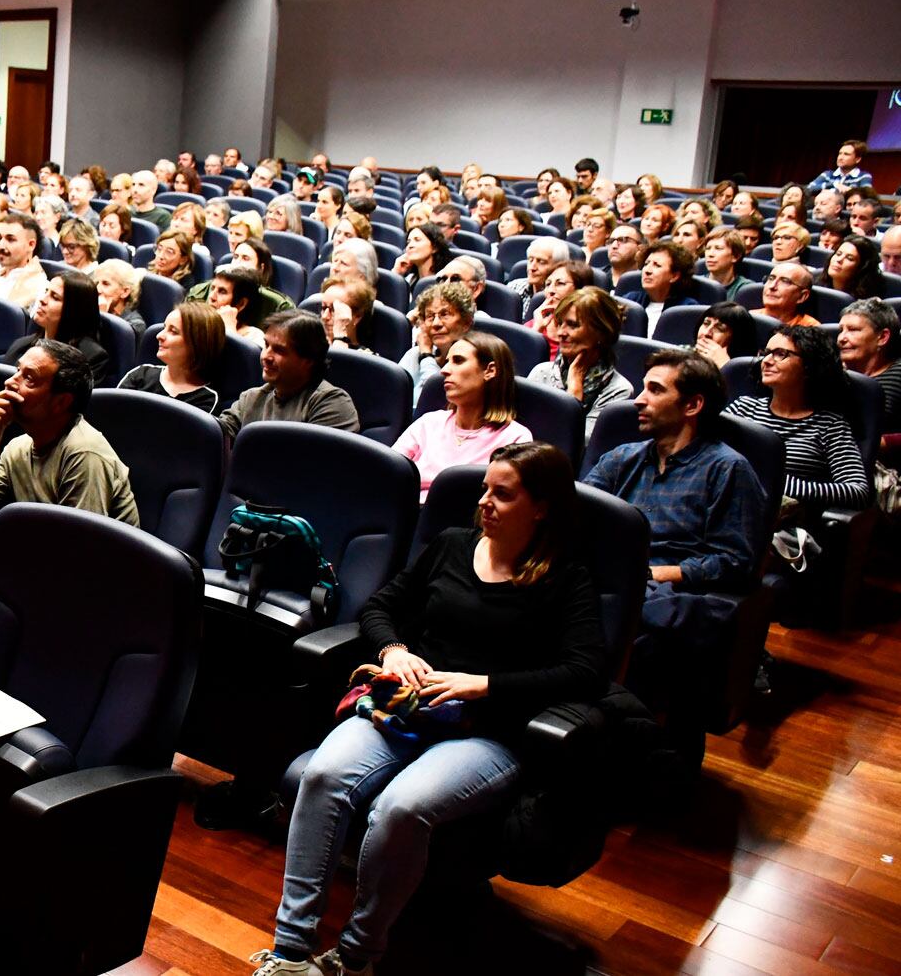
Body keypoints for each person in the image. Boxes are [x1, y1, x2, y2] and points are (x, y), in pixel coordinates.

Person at [251, 443, 603, 976]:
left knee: (401, 807)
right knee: (322, 775)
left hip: (487, 730)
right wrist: (395, 650)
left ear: (541, 508)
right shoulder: (453, 545)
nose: (484, 502)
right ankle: (290, 951)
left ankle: (357, 955)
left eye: (503, 494)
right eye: (485, 489)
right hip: (408, 710)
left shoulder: (565, 578)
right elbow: (380, 607)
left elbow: (585, 671)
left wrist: (486, 685)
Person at [583, 350, 765, 745]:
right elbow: (578, 516)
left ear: (692, 405)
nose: (638, 399)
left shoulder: (727, 469)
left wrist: (654, 573)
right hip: (612, 581)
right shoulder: (622, 458)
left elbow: (735, 561)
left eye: (654, 390)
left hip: (673, 594)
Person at [0, 339, 138, 524]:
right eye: (18, 371)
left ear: (61, 402)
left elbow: (79, 538)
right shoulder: (17, 448)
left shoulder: (84, 454)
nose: (9, 382)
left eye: (29, 378)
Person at [726, 326, 869, 511]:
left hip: (780, 518)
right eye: (766, 353)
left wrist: (779, 483)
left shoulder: (829, 425)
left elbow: (857, 491)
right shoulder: (743, 407)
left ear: (809, 366)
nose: (766, 361)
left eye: (780, 354)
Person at [394, 332, 532, 502]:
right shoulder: (428, 423)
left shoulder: (516, 439)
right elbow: (389, 474)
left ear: (489, 371)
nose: (444, 370)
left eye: (458, 361)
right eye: (447, 362)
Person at [219, 309, 360, 442]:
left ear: (308, 360)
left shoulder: (332, 404)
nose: (266, 356)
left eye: (279, 350)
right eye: (266, 345)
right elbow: (217, 438)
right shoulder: (251, 399)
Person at [528, 287, 632, 439]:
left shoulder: (618, 390)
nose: (561, 333)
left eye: (573, 325)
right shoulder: (541, 372)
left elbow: (576, 444)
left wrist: (575, 388)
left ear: (602, 332)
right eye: (560, 323)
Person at [117, 301, 227, 414]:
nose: (159, 335)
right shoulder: (141, 375)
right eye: (164, 328)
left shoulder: (206, 400)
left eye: (173, 331)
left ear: (198, 343)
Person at [2, 272, 112, 384]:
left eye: (55, 297)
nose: (42, 300)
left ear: (74, 309)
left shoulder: (90, 358)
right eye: (46, 291)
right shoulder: (21, 345)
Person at [400, 282, 476, 404]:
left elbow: (438, 399)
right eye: (430, 316)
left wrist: (426, 356)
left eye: (445, 314)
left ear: (466, 322)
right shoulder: (414, 354)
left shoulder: (472, 361)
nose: (436, 324)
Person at [836, 299, 901, 434]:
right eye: (841, 330)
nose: (841, 338)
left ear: (882, 337)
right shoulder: (832, 374)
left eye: (853, 330)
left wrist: (882, 442)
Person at [618, 240, 695, 336]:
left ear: (674, 276)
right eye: (646, 264)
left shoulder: (686, 309)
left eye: (657, 265)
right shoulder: (629, 301)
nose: (647, 271)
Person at [692, 301, 758, 368]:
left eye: (719, 328)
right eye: (706, 323)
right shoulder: (687, 356)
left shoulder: (746, 371)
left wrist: (725, 366)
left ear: (736, 339)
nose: (706, 333)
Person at [321, 276, 376, 352]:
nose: (325, 316)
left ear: (357, 316)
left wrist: (340, 338)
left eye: (334, 310)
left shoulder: (365, 357)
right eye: (324, 308)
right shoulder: (310, 345)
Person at [507, 238, 563, 313]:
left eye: (541, 262)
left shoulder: (560, 297)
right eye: (530, 260)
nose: (532, 268)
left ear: (558, 267)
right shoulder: (513, 287)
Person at [700, 227, 755, 301]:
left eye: (718, 248)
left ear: (735, 256)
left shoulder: (746, 290)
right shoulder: (695, 284)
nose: (710, 254)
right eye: (708, 248)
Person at [759, 262, 820, 327]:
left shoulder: (811, 328)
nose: (772, 286)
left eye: (785, 281)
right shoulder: (751, 317)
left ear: (802, 296)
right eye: (771, 278)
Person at [94, 257, 146, 335]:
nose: (98, 289)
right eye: (97, 283)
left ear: (125, 292)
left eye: (106, 284)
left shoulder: (134, 325)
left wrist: (101, 316)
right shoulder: (91, 308)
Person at [394, 224, 453, 288]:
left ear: (434, 247)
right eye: (408, 242)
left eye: (417, 240)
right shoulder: (409, 280)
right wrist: (397, 272)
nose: (410, 246)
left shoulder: (446, 281)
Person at [807, 139, 872, 193]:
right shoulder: (827, 174)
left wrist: (850, 191)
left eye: (846, 154)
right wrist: (834, 184)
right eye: (840, 153)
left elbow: (867, 195)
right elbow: (808, 189)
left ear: (857, 159)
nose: (840, 157)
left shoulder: (863, 176)